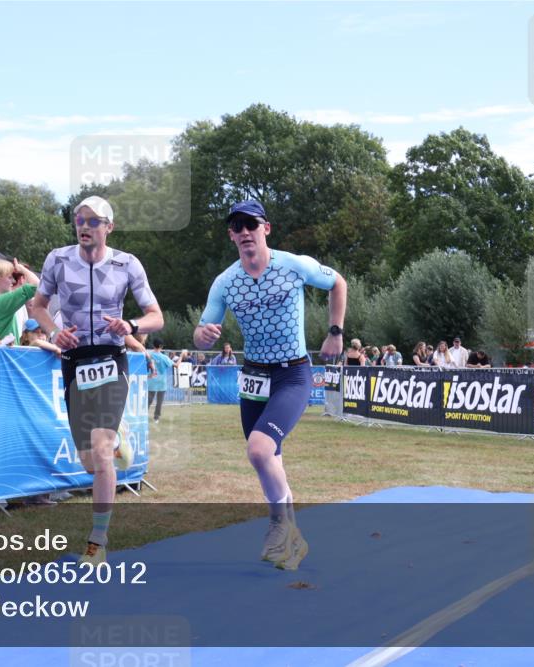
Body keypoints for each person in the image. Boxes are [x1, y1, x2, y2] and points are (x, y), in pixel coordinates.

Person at [193, 200, 346, 571]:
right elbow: (200, 336)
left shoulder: (292, 265)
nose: (245, 232)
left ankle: (280, 525)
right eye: (237, 226)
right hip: (254, 377)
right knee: (269, 460)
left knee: (260, 450)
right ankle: (293, 537)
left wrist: (335, 332)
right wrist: (203, 334)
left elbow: (337, 281)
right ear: (231, 235)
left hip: (292, 374)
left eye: (251, 224)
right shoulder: (226, 282)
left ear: (266, 229)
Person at [30, 195, 163, 565]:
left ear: (109, 226)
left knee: (101, 453)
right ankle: (117, 438)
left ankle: (97, 541)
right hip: (74, 359)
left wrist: (131, 325)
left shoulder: (126, 264)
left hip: (111, 357)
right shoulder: (58, 259)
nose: (84, 226)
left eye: (92, 221)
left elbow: (156, 315)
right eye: (78, 219)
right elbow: (37, 306)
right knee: (89, 462)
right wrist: (55, 332)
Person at [147, 338, 176, 424]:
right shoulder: (164, 357)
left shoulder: (148, 355)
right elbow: (176, 365)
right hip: (161, 383)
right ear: (161, 346)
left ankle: (143, 416)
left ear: (153, 345)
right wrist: (182, 356)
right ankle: (156, 418)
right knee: (159, 402)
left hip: (151, 381)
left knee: (148, 401)